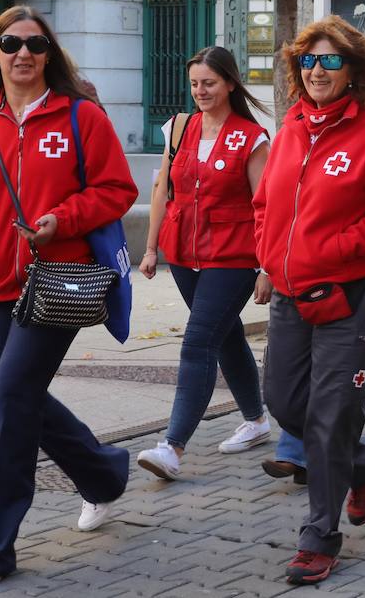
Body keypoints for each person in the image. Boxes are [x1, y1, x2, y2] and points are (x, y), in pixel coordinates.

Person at [0, 7, 137, 592]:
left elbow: (117, 188)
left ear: (48, 53)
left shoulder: (81, 116)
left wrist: (62, 218)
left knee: (11, 398)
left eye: (34, 43)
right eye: (10, 43)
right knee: (15, 396)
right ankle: (102, 475)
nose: (22, 53)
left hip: (59, 281)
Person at [251, 15, 365, 586]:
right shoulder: (292, 128)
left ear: (353, 70)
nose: (317, 70)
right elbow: (266, 205)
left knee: (327, 416)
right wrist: (270, 256)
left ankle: (319, 536)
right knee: (281, 399)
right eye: (308, 61)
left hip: (352, 293)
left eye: (329, 60)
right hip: (292, 292)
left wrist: (332, 250)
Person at [264, 61, 365, 480]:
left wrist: (345, 246)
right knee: (307, 368)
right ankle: (300, 449)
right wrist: (272, 258)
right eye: (310, 63)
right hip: (314, 276)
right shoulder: (302, 132)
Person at [135, 47, 272, 482]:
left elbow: (266, 206)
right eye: (195, 83)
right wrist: (152, 247)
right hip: (184, 256)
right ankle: (256, 419)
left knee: (197, 344)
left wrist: (268, 267)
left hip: (233, 257)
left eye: (209, 83)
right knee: (226, 336)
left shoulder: (251, 138)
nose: (200, 91)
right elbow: (162, 190)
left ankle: (171, 447)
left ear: (230, 83)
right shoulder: (178, 128)